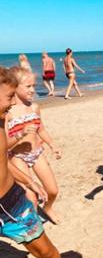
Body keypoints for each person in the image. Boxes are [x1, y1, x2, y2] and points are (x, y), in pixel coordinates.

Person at [0, 66, 71, 258]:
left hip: (10, 204)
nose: (12, 103)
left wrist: (30, 182)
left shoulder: (1, 121)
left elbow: (4, 161)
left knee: (46, 252)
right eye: (9, 96)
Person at [6, 67, 62, 224]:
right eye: (28, 86)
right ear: (15, 86)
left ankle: (48, 208)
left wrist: (52, 145)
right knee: (31, 196)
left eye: (34, 86)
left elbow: (41, 129)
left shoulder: (34, 108)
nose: (32, 90)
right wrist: (20, 134)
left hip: (36, 153)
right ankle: (34, 221)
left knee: (52, 190)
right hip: (17, 156)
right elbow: (5, 145)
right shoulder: (8, 113)